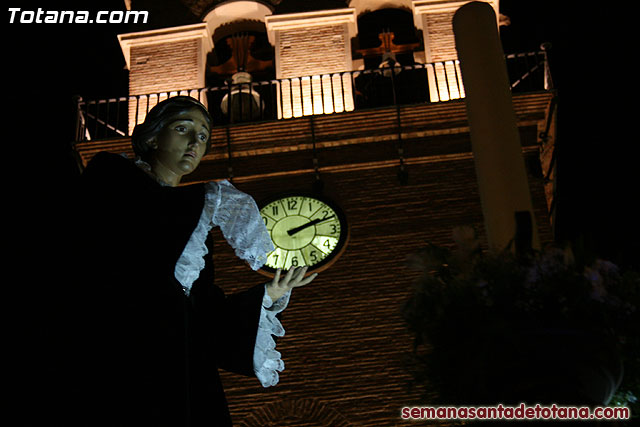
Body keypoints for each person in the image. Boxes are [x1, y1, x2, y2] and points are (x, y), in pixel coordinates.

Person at [58, 96, 317, 426]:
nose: (195, 141)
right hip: (115, 348)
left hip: (178, 366)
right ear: (152, 137)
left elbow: (203, 310)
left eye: (204, 136)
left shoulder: (196, 221)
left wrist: (267, 295)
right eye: (183, 129)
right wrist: (207, 198)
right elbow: (103, 249)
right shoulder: (111, 175)